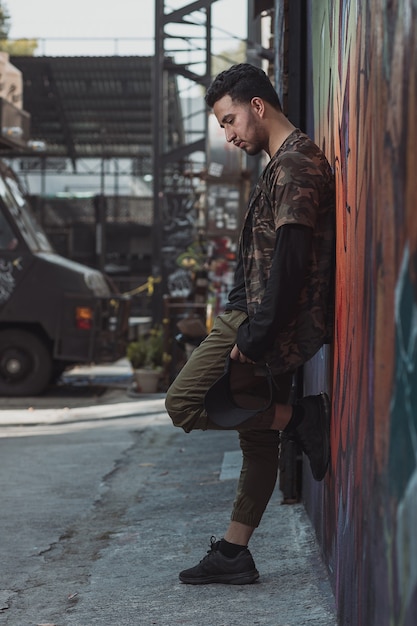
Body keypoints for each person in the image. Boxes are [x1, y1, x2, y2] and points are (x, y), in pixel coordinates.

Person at [165, 63, 335, 585]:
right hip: (256, 313)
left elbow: (290, 260)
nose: (229, 133)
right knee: (255, 440)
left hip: (255, 320)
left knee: (184, 403)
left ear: (257, 106)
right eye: (222, 125)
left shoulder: (296, 164)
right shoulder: (280, 163)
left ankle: (298, 416)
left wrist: (253, 337)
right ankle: (235, 554)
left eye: (229, 119)